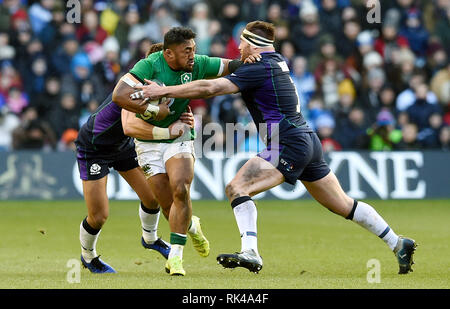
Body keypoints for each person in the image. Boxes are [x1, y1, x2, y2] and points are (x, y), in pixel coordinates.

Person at [137, 21, 418, 275]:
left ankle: (251, 252)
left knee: (237, 188)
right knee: (344, 204)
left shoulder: (257, 68)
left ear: (252, 45)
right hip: (306, 137)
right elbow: (231, 69)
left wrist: (161, 91)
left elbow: (209, 88)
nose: (240, 48)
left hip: (286, 142)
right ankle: (398, 243)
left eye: (243, 44)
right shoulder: (275, 61)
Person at [120, 27, 260, 276]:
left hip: (181, 135)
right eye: (187, 51)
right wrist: (156, 113)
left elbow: (231, 66)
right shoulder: (148, 67)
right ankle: (192, 226)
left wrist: (246, 60)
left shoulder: (197, 64)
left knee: (181, 189)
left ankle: (176, 257)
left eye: (194, 49)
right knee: (168, 206)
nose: (193, 55)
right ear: (168, 54)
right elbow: (120, 97)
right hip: (149, 144)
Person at [75, 43, 195, 274]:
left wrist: (185, 119)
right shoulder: (134, 89)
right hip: (94, 147)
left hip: (122, 146)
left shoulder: (164, 89)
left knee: (153, 198)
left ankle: (150, 239)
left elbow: (171, 116)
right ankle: (88, 257)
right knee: (99, 216)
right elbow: (130, 126)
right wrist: (168, 130)